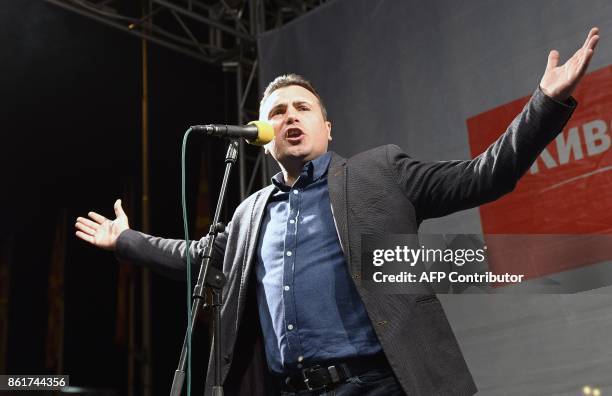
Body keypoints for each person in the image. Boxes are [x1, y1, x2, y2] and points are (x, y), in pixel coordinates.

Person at [76, 28, 600, 396]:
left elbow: (486, 174)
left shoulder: (381, 171)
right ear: (263, 138)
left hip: (380, 383)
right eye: (276, 113)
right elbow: (193, 256)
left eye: (302, 108)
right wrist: (127, 240)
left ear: (329, 129)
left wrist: (544, 104)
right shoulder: (249, 214)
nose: (289, 117)